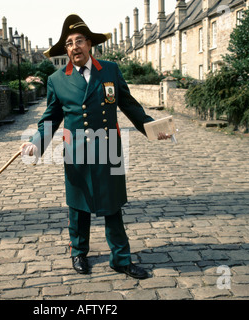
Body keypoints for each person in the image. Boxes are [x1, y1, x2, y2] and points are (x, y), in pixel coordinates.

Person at [20, 14, 170, 279]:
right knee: (78, 208)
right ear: (65, 49)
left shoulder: (109, 70)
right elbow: (51, 119)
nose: (74, 47)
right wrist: (35, 143)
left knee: (113, 207)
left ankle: (121, 259)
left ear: (89, 44)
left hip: (108, 149)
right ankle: (79, 253)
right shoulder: (57, 79)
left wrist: (152, 127)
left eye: (79, 41)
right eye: (68, 43)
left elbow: (129, 104)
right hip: (75, 151)